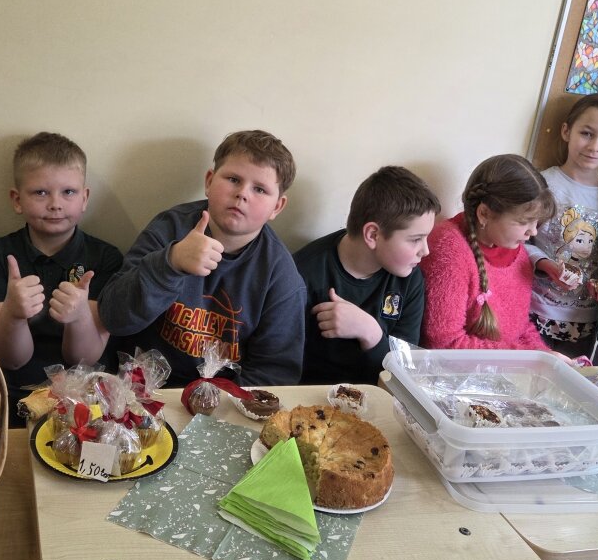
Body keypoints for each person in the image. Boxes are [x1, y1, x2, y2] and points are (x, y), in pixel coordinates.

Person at [98, 130, 306, 387]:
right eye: (233, 179)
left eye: (260, 189)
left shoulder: (280, 274)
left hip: (224, 401)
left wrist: (216, 401)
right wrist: (170, 263)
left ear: (277, 206)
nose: (242, 194)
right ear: (209, 181)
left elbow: (275, 374)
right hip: (141, 390)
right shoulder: (169, 228)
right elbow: (113, 317)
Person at [0, 132, 123, 425]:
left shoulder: (105, 258)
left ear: (84, 198)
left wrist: (79, 315)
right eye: (40, 192)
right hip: (10, 391)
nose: (55, 204)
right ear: (17, 200)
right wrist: (13, 314)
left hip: (82, 397)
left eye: (68, 192)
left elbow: (84, 358)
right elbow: (9, 359)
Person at [295, 166, 440, 384]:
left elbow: (404, 371)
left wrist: (371, 333)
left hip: (380, 395)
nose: (425, 251)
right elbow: (286, 365)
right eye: (415, 239)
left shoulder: (410, 279)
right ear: (373, 235)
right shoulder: (304, 274)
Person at [527, 93, 598, 355]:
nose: (595, 146)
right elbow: (519, 242)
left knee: (571, 377)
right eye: (586, 133)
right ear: (566, 131)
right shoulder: (542, 184)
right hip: (532, 310)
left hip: (585, 320)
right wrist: (545, 264)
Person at [420, 154, 555, 350]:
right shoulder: (448, 249)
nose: (533, 232)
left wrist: (546, 355)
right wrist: (527, 358)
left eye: (536, 222)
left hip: (506, 366)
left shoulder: (517, 251)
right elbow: (444, 342)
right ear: (484, 213)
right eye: (523, 222)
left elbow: (520, 328)